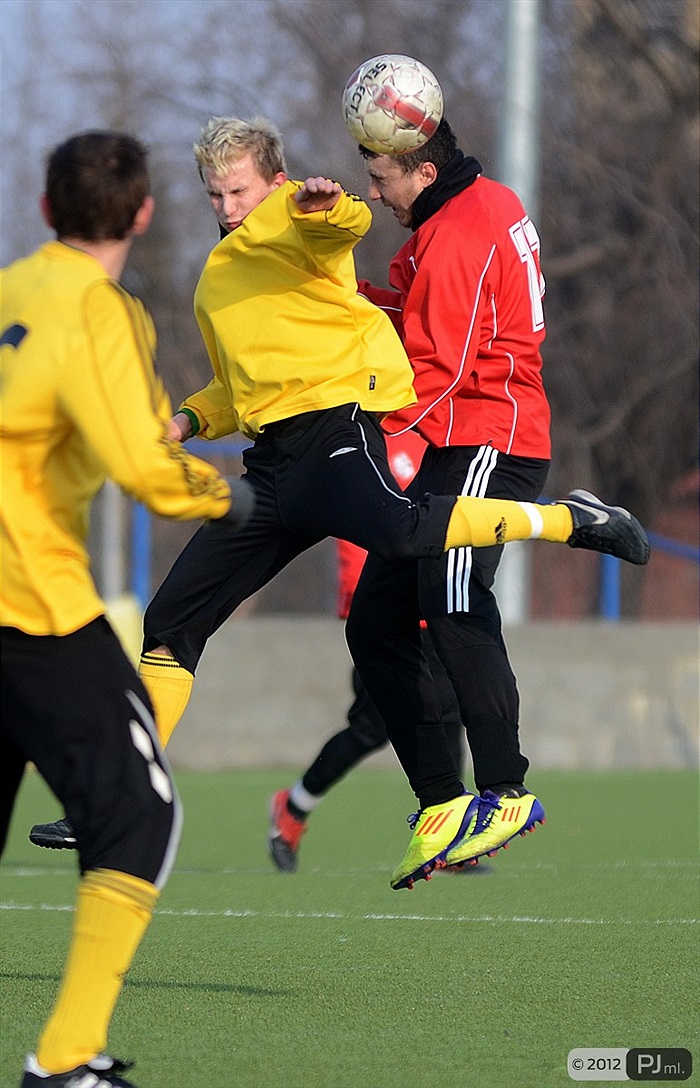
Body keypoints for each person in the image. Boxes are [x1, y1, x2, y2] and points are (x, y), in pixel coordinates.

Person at [27, 117, 649, 887]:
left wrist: (325, 205)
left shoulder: (300, 221)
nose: (228, 208)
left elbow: (342, 225)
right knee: (175, 622)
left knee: (410, 537)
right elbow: (237, 387)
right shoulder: (218, 276)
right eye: (215, 195)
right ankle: (121, 797)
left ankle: (569, 520)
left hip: (335, 439)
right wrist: (186, 420)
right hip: (272, 471)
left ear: (276, 181)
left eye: (240, 191)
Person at [1, 131, 251, 1088]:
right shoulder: (98, 309)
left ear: (44, 209)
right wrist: (227, 498)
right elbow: (142, 463)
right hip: (29, 604)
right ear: (143, 213)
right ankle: (65, 1060)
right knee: (139, 815)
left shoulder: (9, 290)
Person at [343, 111, 635, 889]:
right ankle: (442, 801)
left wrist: (355, 428)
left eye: (381, 179)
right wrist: (345, 294)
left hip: (491, 440)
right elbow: (420, 317)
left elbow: (436, 369)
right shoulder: (471, 208)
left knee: (451, 597)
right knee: (373, 622)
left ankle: (506, 788)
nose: (373, 194)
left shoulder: (459, 232)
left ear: (423, 170)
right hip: (462, 441)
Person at [268, 431, 465, 873]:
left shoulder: (430, 439)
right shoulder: (362, 439)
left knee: (449, 712)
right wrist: (361, 597)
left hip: (429, 602)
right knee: (371, 727)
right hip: (383, 611)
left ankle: (451, 836)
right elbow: (359, 527)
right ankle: (293, 807)